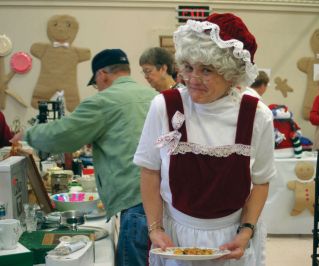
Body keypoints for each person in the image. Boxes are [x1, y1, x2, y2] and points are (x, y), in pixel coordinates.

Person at [133, 13, 276, 266]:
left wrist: (246, 232)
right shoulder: (164, 106)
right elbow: (150, 171)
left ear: (231, 74)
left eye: (207, 70)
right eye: (188, 67)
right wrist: (155, 229)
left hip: (231, 239)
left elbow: (261, 182)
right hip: (176, 237)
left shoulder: (256, 115)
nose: (193, 79)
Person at [11, 49, 157, 266]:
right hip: (161, 203)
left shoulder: (104, 101)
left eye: (96, 83)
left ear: (102, 75)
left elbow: (65, 136)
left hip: (134, 204)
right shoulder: (154, 97)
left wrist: (28, 135)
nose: (98, 87)